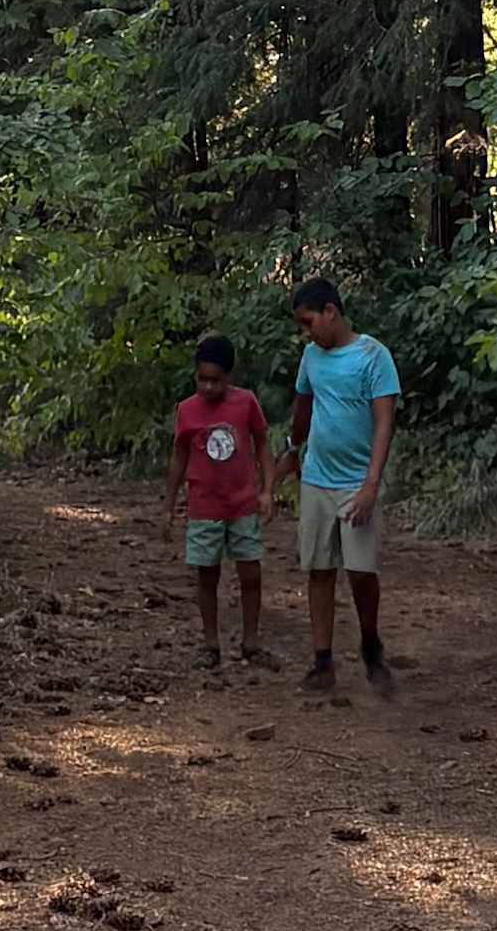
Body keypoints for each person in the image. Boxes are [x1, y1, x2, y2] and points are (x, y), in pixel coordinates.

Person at [285, 269, 400, 696]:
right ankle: (322, 659)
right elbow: (303, 406)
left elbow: (384, 422)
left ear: (330, 311)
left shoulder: (373, 356)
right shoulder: (312, 359)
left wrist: (372, 484)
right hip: (316, 478)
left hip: (356, 481)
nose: (306, 333)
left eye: (309, 322)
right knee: (318, 568)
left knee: (361, 571)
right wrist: (292, 450)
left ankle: (371, 645)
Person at [166, 329, 273, 674]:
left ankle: (251, 641)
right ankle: (210, 643)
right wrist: (169, 502)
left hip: (242, 504)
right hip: (204, 507)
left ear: (229, 377)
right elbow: (179, 458)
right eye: (202, 380)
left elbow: (262, 446)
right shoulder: (187, 410)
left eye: (216, 380)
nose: (209, 387)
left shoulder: (246, 403)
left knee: (250, 573)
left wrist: (267, 489)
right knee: (207, 576)